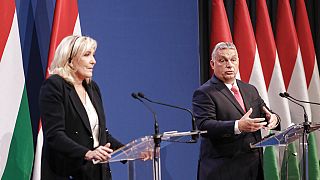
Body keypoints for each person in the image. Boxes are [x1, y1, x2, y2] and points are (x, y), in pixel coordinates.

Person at [39, 35, 124, 180]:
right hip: (68, 172)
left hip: (96, 174)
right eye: (87, 55)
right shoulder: (55, 86)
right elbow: (54, 135)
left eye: (93, 55)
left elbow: (100, 133)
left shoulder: (92, 88)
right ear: (70, 60)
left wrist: (127, 152)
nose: (94, 61)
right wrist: (87, 153)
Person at [192, 42, 280, 180]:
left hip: (253, 167)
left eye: (233, 59)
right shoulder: (205, 92)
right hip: (223, 169)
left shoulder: (250, 89)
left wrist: (273, 118)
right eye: (222, 60)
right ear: (212, 64)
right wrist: (238, 126)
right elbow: (204, 125)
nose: (229, 64)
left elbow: (264, 114)